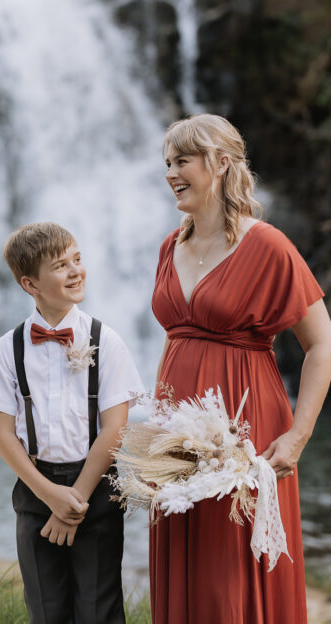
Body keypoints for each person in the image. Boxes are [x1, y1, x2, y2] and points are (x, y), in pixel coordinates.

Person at [150, 114, 331, 623]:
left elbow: (322, 344)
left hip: (246, 427)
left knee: (231, 563)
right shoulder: (171, 246)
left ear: (221, 163)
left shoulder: (269, 246)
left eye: (182, 161)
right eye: (167, 163)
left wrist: (298, 436)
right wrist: (157, 430)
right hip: (177, 437)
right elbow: (174, 338)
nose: (170, 173)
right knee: (184, 549)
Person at [0, 223, 143, 623]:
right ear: (30, 283)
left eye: (77, 259)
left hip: (95, 491)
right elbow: (2, 434)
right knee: (46, 608)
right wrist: (50, 497)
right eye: (61, 266)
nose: (76, 271)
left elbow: (115, 429)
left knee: (99, 608)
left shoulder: (106, 340)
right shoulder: (5, 351)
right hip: (35, 494)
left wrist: (74, 501)